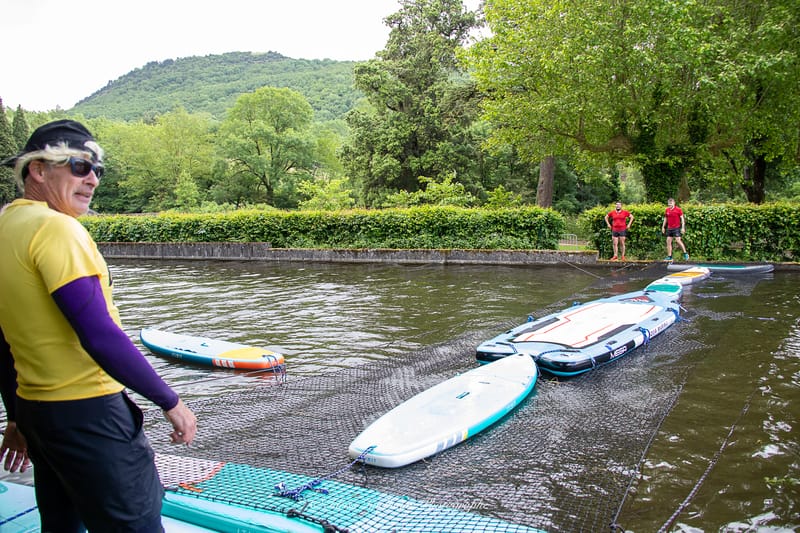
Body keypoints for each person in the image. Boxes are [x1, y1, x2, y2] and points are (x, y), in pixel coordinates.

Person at [0, 119, 197, 532]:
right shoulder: (56, 229)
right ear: (37, 169)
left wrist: (16, 416)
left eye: (97, 171)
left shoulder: (5, 227)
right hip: (88, 413)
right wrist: (170, 401)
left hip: (37, 413)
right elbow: (99, 334)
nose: (91, 179)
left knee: (61, 520)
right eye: (78, 166)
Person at [661, 197, 689, 261]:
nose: (669, 205)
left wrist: (683, 227)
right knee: (668, 241)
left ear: (674, 203)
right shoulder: (667, 210)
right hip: (669, 228)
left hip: (676, 228)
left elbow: (682, 219)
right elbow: (665, 219)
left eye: (671, 204)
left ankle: (685, 253)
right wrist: (663, 227)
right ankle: (669, 256)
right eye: (669, 204)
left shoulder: (678, 210)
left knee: (678, 240)